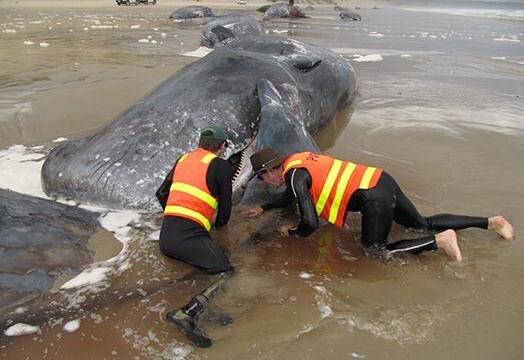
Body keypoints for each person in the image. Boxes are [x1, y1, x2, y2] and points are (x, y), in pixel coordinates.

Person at [243, 147, 514, 261]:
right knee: (421, 222)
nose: (265, 182)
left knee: (374, 251)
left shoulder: (293, 176)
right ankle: (491, 222)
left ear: (269, 171)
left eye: (262, 177)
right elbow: (293, 194)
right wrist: (265, 208)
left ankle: (439, 242)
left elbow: (310, 223)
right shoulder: (299, 161)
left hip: (373, 198)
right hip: (381, 180)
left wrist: (291, 233)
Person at [156, 125, 234, 348]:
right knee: (226, 271)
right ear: (221, 146)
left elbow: (161, 193)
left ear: (199, 143)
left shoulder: (183, 159)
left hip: (167, 235)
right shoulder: (220, 165)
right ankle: (186, 313)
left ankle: (206, 312)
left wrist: (176, 212)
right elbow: (225, 211)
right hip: (188, 235)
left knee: (207, 267)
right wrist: (217, 229)